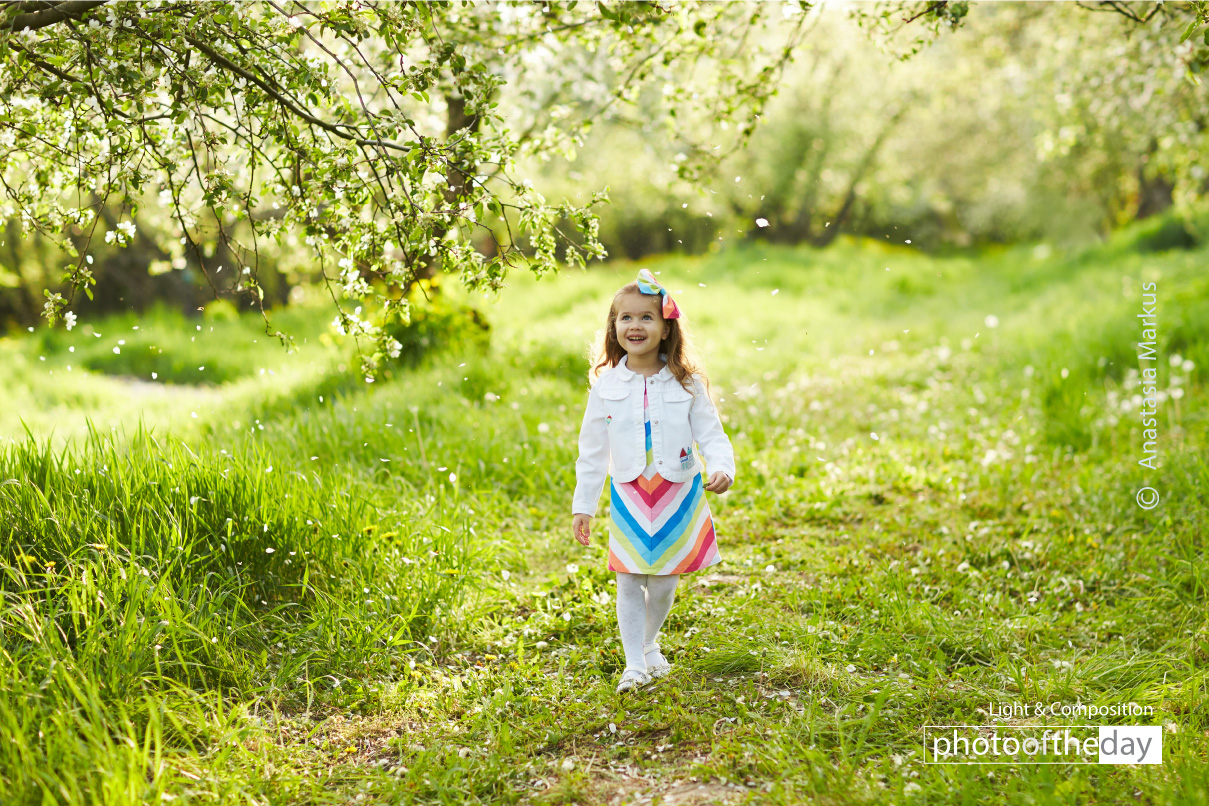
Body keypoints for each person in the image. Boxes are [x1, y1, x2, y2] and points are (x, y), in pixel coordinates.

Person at [571, 268, 737, 694]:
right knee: (628, 578)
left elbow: (711, 433)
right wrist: (583, 505)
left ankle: (649, 643)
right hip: (629, 493)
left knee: (663, 582)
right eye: (625, 318)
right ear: (614, 328)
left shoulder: (687, 382)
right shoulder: (605, 385)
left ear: (665, 328)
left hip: (677, 492)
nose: (635, 326)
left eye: (646, 317)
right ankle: (633, 665)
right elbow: (591, 450)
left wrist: (722, 466)